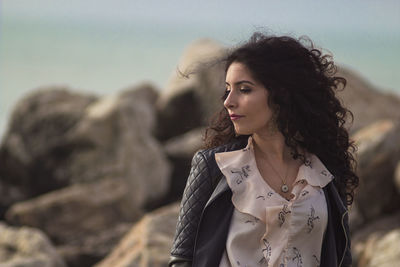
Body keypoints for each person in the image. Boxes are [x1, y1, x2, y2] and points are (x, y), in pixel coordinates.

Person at [168, 32, 358, 267]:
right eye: (228, 89)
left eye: (244, 89)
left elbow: (342, 257)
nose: (228, 101)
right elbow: (181, 259)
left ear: (281, 95)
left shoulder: (324, 171)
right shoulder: (215, 167)